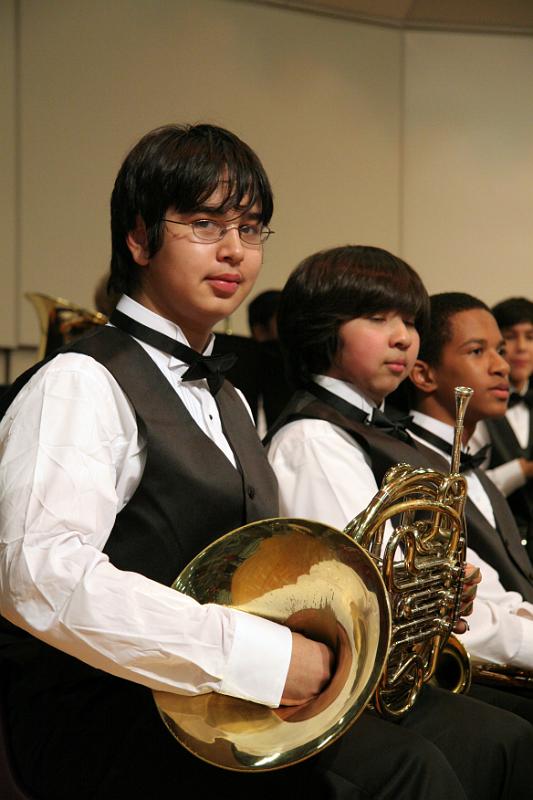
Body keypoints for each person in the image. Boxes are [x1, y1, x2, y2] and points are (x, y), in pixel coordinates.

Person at [0, 123, 337, 800]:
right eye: (205, 223)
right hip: (109, 723)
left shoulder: (230, 395)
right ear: (139, 238)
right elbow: (36, 574)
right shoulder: (80, 380)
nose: (235, 249)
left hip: (216, 711)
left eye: (250, 228)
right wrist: (258, 657)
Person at [266, 244, 533, 799]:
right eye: (378, 318)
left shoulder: (361, 432)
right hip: (358, 683)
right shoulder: (314, 438)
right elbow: (365, 594)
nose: (403, 338)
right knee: (507, 741)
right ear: (323, 329)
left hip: (402, 668)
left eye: (409, 321)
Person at [406, 292, 533, 710]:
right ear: (423, 374)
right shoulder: (411, 468)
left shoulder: (471, 467)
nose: (502, 365)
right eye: (478, 351)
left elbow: (499, 590)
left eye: (500, 350)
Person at [470, 297, 533, 560]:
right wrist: (522, 470)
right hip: (499, 549)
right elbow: (468, 488)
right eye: (509, 337)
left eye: (530, 337)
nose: (521, 348)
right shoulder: (477, 407)